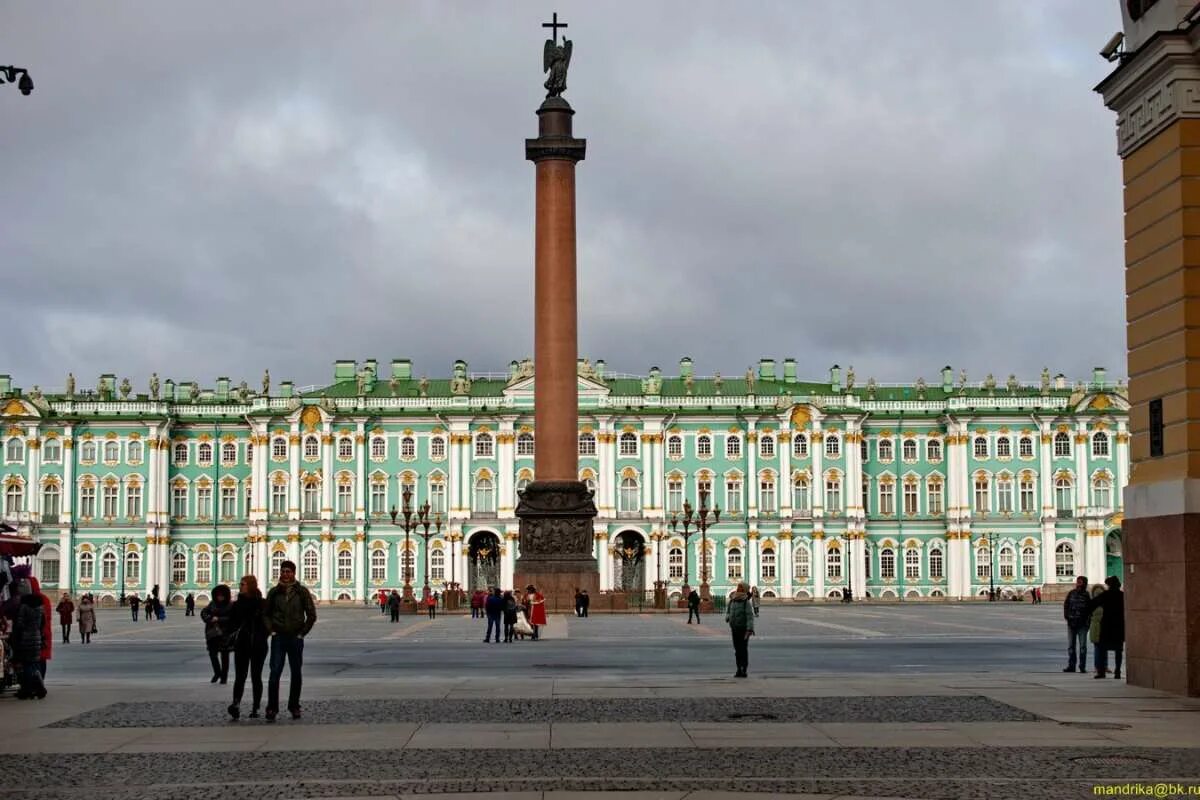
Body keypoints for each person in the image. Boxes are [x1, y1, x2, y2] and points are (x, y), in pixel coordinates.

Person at [264, 559, 317, 721]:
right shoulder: (274, 592)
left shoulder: (302, 592)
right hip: (278, 637)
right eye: (283, 571)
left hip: (295, 637)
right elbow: (265, 613)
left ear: (294, 573)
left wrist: (302, 633)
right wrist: (271, 630)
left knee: (296, 673)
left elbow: (311, 614)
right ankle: (272, 708)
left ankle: (294, 706)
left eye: (289, 571)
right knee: (274, 673)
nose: (286, 574)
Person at [227, 575, 269, 720]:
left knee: (256, 677)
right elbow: (231, 624)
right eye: (240, 584)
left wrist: (262, 635)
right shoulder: (237, 605)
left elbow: (267, 623)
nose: (240, 586)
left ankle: (255, 708)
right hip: (242, 644)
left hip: (258, 645)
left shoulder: (262, 603)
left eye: (243, 584)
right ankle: (236, 704)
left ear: (250, 585)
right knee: (240, 676)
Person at [12, 584, 47, 699]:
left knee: (26, 664)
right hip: (37, 637)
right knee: (35, 663)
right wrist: (39, 634)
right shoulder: (40, 606)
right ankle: (39, 687)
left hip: (26, 638)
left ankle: (27, 689)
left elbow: (20, 623)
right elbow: (43, 623)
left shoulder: (24, 606)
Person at [1088, 576, 1126, 679]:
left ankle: (1101, 672)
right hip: (1119, 626)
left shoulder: (1105, 595)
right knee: (1118, 650)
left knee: (1102, 649)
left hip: (1107, 625)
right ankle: (1117, 671)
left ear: (1109, 585)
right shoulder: (1122, 596)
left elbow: (1092, 604)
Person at [201, 584, 234, 684]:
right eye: (218, 595)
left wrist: (219, 619)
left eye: (221, 595)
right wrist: (209, 619)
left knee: (225, 656)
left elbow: (232, 618)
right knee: (212, 654)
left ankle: (224, 677)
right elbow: (203, 613)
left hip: (225, 634)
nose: (219, 597)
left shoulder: (230, 605)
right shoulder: (212, 604)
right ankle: (217, 672)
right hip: (212, 634)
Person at [725, 581, 756, 678]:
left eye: (741, 587)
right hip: (734, 628)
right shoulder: (733, 599)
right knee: (737, 650)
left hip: (743, 629)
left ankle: (744, 669)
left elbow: (750, 616)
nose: (738, 588)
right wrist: (728, 617)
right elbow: (729, 610)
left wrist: (749, 629)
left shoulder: (745, 602)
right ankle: (738, 669)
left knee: (743, 650)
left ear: (744, 590)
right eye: (738, 587)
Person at [1063, 575, 1092, 673]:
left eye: (1080, 582)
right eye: (1077, 582)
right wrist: (1067, 617)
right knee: (1071, 646)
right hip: (1071, 624)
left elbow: (1090, 610)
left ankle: (1082, 666)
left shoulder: (1087, 595)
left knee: (1083, 646)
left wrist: (1088, 623)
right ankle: (1071, 666)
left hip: (1082, 625)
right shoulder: (1071, 593)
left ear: (1084, 583)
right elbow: (1066, 605)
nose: (1078, 584)